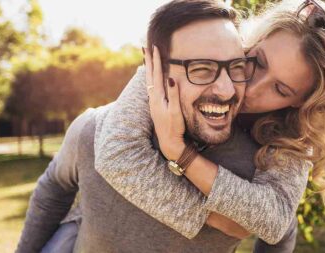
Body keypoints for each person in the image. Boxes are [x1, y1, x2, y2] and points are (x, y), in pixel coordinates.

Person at [16, 1, 301, 252]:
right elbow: (53, 187)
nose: (226, 90)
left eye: (237, 66)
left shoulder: (259, 163)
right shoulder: (94, 131)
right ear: (155, 69)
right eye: (201, 69)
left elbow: (280, 228)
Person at [92, 0, 325, 251]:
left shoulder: (293, 135)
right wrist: (214, 219)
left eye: (280, 89)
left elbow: (276, 222)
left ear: (303, 104)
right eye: (257, 61)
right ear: (253, 41)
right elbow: (115, 153)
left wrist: (179, 152)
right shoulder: (188, 58)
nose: (251, 89)